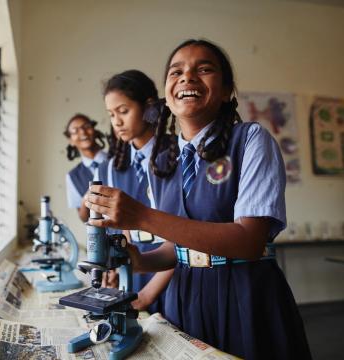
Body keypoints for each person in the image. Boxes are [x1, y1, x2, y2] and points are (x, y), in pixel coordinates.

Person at [85, 39, 311, 359]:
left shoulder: (250, 140)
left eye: (204, 69)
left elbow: (248, 240)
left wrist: (141, 215)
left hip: (242, 297)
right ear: (167, 93)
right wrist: (139, 259)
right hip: (185, 299)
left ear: (226, 90)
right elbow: (179, 247)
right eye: (176, 71)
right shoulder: (171, 160)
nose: (187, 77)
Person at [98, 69, 174, 314]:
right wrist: (115, 269)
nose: (117, 122)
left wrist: (149, 294)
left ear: (149, 108)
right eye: (111, 115)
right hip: (136, 274)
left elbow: (187, 236)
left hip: (176, 273)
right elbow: (123, 233)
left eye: (123, 111)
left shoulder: (178, 155)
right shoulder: (114, 168)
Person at [64, 114, 107, 222]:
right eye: (75, 131)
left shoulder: (117, 160)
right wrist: (86, 198)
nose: (82, 132)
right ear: (71, 141)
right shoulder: (73, 176)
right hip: (101, 234)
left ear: (94, 130)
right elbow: (83, 217)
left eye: (86, 126)